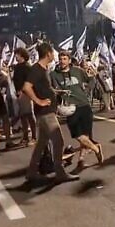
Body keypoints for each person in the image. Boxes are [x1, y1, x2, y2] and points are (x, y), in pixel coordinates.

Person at [23, 43, 79, 183]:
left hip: (46, 112)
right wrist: (38, 101)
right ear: (48, 54)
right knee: (58, 141)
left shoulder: (43, 69)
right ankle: (60, 172)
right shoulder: (36, 69)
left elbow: (43, 88)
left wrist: (57, 92)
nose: (54, 56)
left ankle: (31, 172)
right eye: (52, 53)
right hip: (45, 112)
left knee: (42, 143)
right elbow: (26, 87)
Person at [51, 51, 104, 170]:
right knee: (77, 135)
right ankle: (96, 148)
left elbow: (90, 79)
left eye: (65, 59)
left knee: (85, 134)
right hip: (70, 108)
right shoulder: (54, 74)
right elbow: (50, 88)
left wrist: (87, 90)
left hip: (84, 105)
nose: (62, 61)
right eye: (60, 58)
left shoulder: (77, 71)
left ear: (69, 60)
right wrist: (58, 93)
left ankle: (81, 160)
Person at [13, 47, 37, 147]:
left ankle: (34, 137)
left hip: (26, 94)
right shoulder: (17, 67)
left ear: (22, 55)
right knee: (23, 116)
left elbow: (29, 81)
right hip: (19, 94)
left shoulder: (27, 67)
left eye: (17, 54)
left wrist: (23, 91)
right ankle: (25, 137)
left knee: (30, 115)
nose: (15, 56)